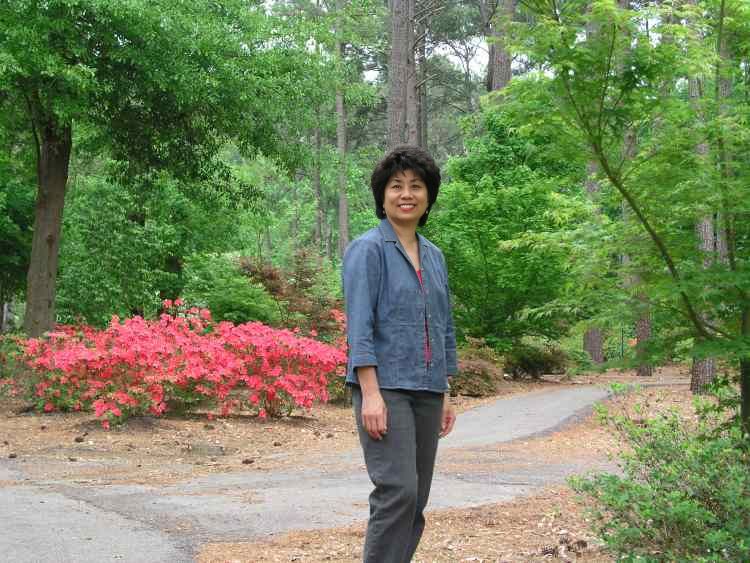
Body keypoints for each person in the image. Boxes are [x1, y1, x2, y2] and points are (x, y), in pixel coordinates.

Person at [342, 145, 458, 563]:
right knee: (397, 492)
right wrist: (370, 394)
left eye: (416, 186)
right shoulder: (367, 250)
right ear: (382, 195)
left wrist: (445, 390)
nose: (406, 194)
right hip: (385, 387)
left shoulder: (435, 256)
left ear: (428, 196)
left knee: (417, 499)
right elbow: (360, 327)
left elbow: (443, 325)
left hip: (427, 387)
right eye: (396, 186)